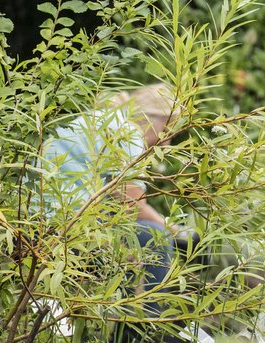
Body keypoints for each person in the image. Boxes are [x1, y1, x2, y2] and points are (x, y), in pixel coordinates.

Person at [41, 83, 180, 302]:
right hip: (62, 230)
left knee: (129, 244)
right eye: (169, 132)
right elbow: (131, 205)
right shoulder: (128, 134)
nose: (167, 143)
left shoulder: (104, 119)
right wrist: (176, 231)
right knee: (155, 237)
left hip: (39, 218)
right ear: (159, 123)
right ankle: (141, 327)